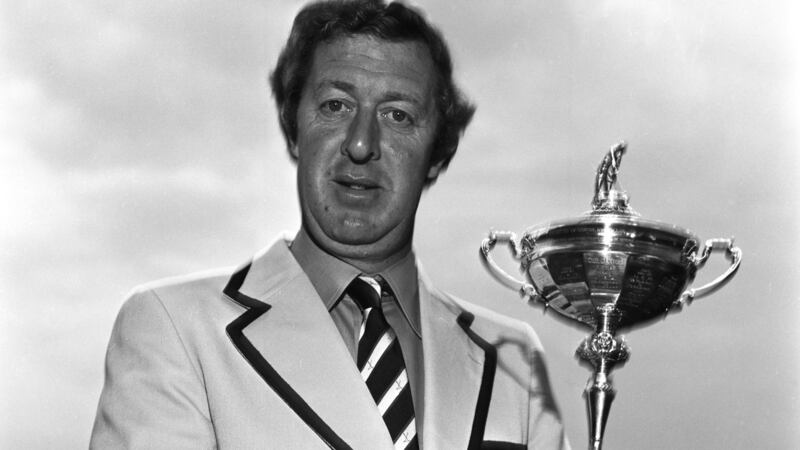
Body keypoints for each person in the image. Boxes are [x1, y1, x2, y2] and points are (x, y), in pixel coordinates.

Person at [90, 1, 569, 449]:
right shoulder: (172, 327)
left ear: (436, 151)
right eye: (336, 106)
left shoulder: (513, 359)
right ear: (294, 125)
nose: (361, 144)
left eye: (398, 115)